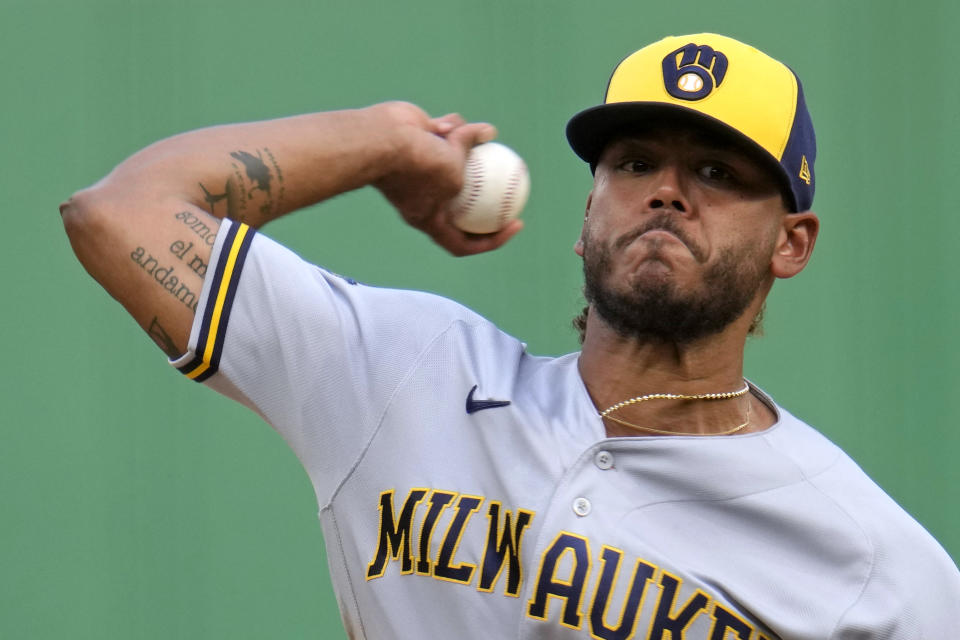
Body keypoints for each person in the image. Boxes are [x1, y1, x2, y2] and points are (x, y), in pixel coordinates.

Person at [61, 32, 959, 639]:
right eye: (634, 163)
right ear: (586, 214)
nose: (665, 191)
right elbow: (118, 213)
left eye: (717, 172)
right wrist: (387, 144)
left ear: (791, 244)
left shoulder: (879, 566)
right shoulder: (404, 376)